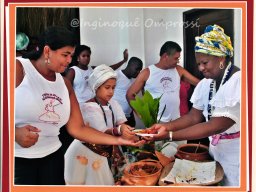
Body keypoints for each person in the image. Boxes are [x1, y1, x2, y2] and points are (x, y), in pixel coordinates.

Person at [15, 26, 144, 185]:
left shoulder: (64, 84)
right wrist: (13, 133)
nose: (69, 60)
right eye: (65, 55)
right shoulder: (19, 69)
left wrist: (121, 141)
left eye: (71, 55)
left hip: (53, 158)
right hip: (18, 159)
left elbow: (78, 129)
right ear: (47, 51)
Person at [149, 24, 240, 186]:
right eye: (199, 64)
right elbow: (193, 117)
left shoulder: (239, 82)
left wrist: (169, 136)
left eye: (205, 62)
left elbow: (215, 126)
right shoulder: (206, 84)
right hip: (215, 153)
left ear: (221, 58)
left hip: (237, 155)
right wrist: (165, 127)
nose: (200, 68)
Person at [65, 64, 136, 185]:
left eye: (113, 87)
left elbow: (121, 122)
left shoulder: (113, 103)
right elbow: (102, 132)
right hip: (88, 151)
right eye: (107, 87)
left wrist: (128, 130)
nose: (111, 91)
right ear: (96, 87)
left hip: (108, 147)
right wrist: (120, 130)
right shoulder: (88, 107)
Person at [126, 41, 200, 155]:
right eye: (176, 58)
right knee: (160, 155)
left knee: (180, 153)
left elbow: (198, 83)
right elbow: (130, 94)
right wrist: (141, 114)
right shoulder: (148, 72)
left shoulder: (178, 70)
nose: (178, 61)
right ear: (165, 56)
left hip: (177, 122)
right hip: (156, 124)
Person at [112, 57, 143, 127]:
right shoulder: (116, 75)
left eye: (140, 70)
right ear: (130, 65)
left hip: (129, 116)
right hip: (116, 116)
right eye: (137, 69)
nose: (138, 72)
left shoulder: (135, 80)